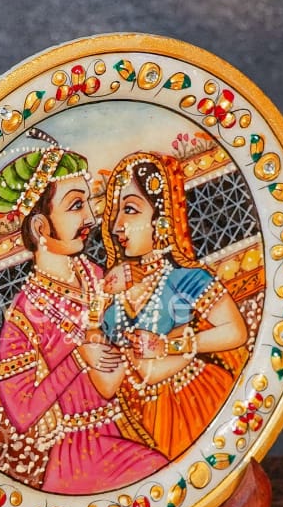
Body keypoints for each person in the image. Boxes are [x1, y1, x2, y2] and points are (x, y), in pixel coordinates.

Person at [0, 128, 166, 495]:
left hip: (128, 427)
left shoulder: (97, 277)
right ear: (41, 227)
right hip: (80, 459)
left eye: (87, 203)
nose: (91, 217)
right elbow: (22, 414)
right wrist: (78, 360)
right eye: (75, 206)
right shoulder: (24, 317)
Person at [101, 152, 248, 461]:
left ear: (162, 220)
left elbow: (236, 332)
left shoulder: (183, 278)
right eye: (115, 213)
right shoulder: (114, 290)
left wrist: (167, 345)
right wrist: (101, 295)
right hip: (133, 419)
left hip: (189, 407)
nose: (117, 226)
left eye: (130, 210)